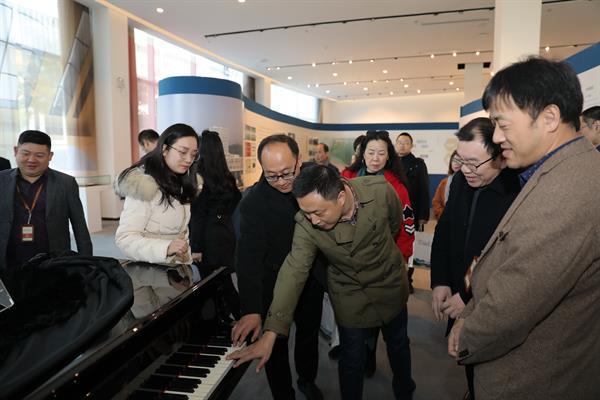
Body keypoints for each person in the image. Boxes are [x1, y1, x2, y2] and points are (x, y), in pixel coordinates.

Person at [448, 57, 600, 400]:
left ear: (549, 118)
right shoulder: (559, 171)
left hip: (532, 379)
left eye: (502, 124)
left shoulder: (567, 192)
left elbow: (512, 305)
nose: (497, 137)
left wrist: (466, 332)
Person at [229, 165, 416, 400]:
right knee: (351, 358)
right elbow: (294, 270)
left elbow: (394, 225)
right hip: (349, 290)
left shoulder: (380, 191)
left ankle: (405, 392)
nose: (314, 220)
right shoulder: (307, 222)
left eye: (318, 212)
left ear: (340, 198)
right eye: (307, 213)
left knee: (398, 346)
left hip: (388, 282)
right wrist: (271, 332)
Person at [430, 118, 520, 399]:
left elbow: (504, 259)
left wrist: (468, 296)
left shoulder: (517, 192)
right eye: (460, 160)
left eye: (473, 163)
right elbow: (444, 231)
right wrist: (441, 280)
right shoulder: (459, 182)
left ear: (500, 157)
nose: (465, 169)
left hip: (489, 302)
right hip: (457, 291)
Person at [232, 134, 325, 400]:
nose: (282, 181)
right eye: (272, 175)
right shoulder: (253, 203)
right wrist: (251, 308)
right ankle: (284, 394)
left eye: (287, 173)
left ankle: (307, 379)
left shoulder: (315, 181)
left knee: (308, 334)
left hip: (310, 278)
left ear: (298, 160)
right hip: (272, 284)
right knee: (275, 343)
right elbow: (247, 259)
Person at [341, 129, 415, 377]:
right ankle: (367, 359)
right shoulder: (346, 179)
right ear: (362, 154)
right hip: (353, 267)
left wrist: (402, 259)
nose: (375, 158)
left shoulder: (397, 187)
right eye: (370, 152)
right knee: (361, 326)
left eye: (381, 153)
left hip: (386, 267)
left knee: (395, 332)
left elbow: (406, 228)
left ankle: (402, 384)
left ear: (388, 156)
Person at [0, 130, 92, 270]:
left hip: (53, 262)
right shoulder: (2, 180)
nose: (31, 160)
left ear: (50, 156)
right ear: (16, 151)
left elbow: (80, 228)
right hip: (9, 261)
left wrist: (88, 264)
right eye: (26, 153)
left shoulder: (66, 183)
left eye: (39, 155)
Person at [115, 123, 200, 265]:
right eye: (183, 152)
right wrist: (165, 248)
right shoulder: (144, 186)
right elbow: (125, 238)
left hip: (178, 269)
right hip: (153, 271)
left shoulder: (182, 182)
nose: (188, 160)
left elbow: (181, 232)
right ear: (165, 149)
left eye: (193, 154)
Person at [189, 129, 242, 318]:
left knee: (212, 284)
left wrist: (196, 247)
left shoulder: (198, 175)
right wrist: (221, 215)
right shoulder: (227, 175)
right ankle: (233, 318)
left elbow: (198, 215)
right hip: (225, 233)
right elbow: (236, 201)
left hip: (207, 237)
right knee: (223, 280)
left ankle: (238, 320)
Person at [395, 132, 429, 292]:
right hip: (395, 212)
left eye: (406, 142)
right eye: (399, 142)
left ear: (411, 145)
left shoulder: (418, 164)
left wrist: (423, 216)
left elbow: (424, 190)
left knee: (412, 248)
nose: (402, 145)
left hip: (412, 213)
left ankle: (408, 279)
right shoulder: (390, 163)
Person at [431, 150, 460, 220]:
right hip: (445, 220)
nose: (456, 163)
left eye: (459, 160)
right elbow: (436, 202)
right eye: (454, 160)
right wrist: (443, 214)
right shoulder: (444, 182)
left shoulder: (470, 182)